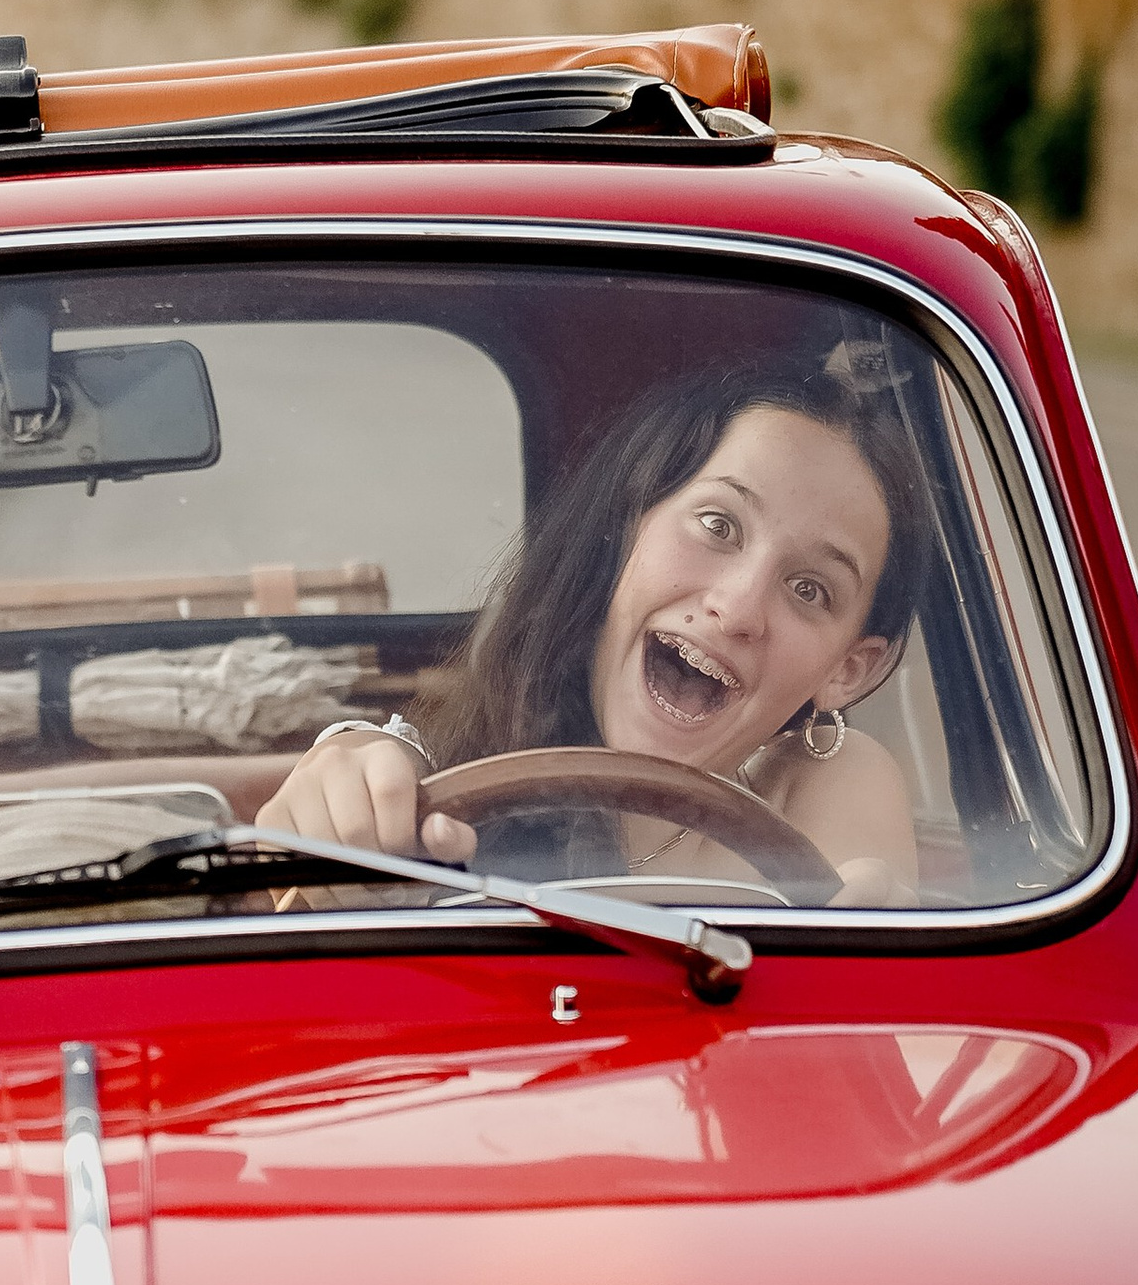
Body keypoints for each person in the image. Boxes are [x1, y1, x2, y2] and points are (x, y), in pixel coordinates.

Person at [259, 363, 932, 906]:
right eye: (718, 526)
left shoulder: (829, 788)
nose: (737, 609)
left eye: (809, 590)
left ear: (848, 669)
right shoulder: (434, 792)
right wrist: (362, 780)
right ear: (628, 533)